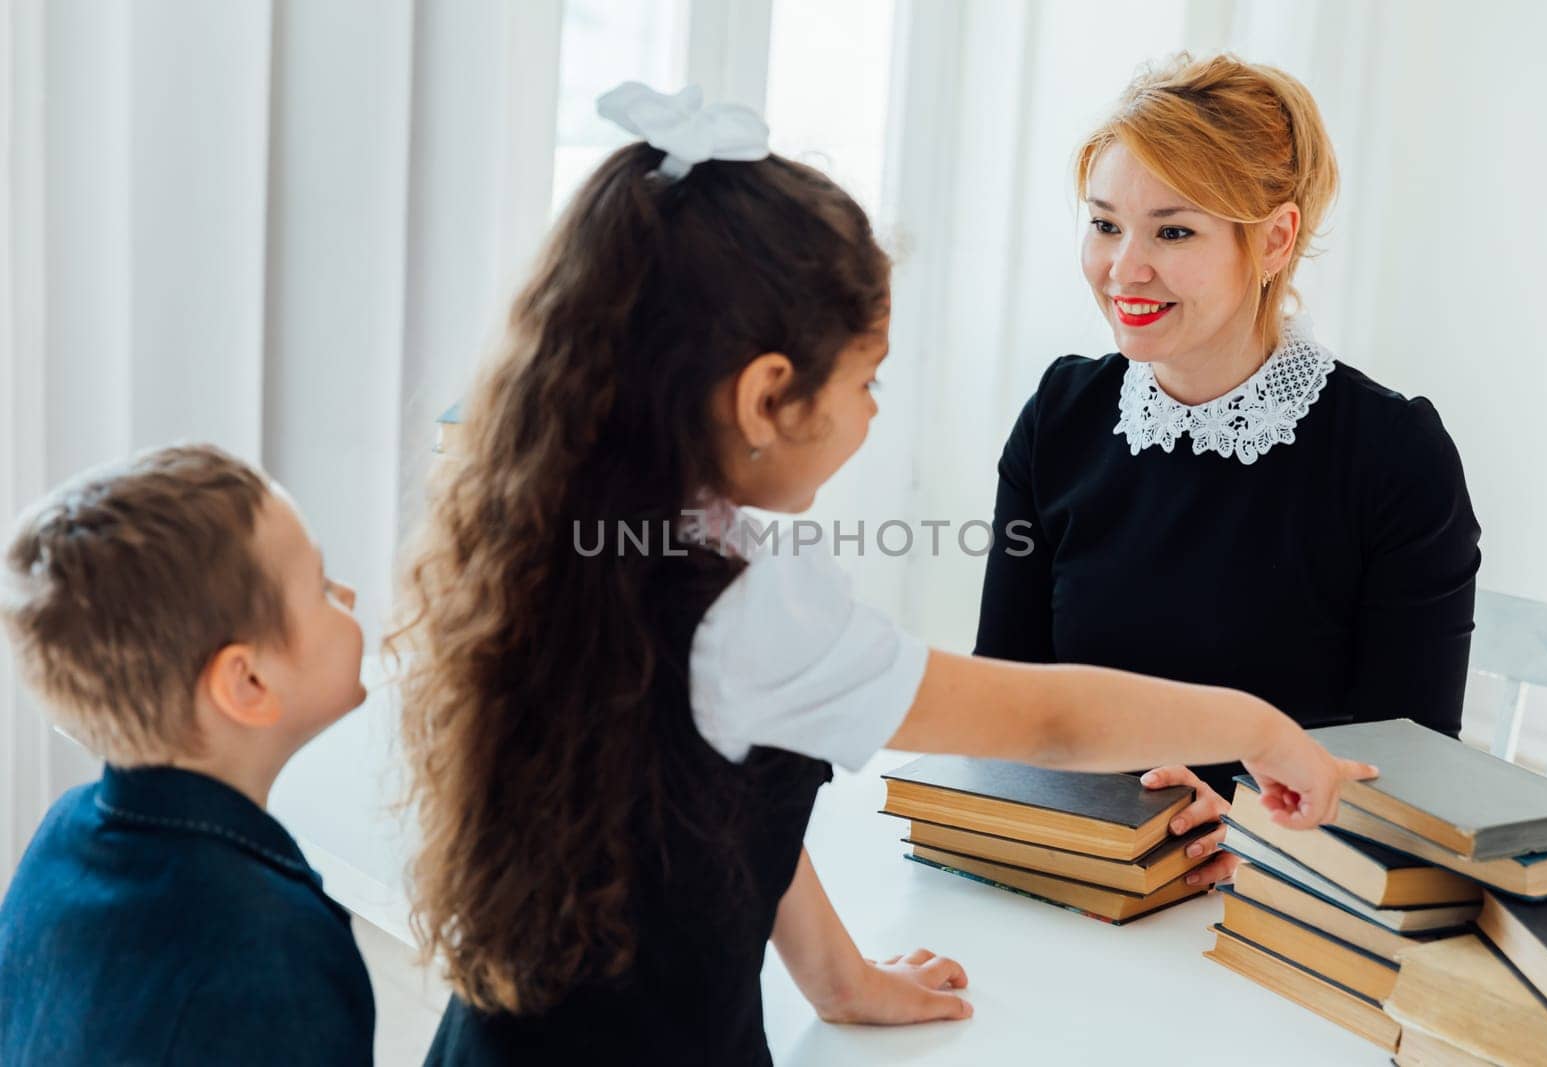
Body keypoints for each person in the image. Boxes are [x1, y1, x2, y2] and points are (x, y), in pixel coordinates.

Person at [393, 81, 1375, 1067]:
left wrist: (841, 982)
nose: (871, 412)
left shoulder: (576, 533)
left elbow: (730, 808)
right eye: (864, 380)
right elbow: (1045, 716)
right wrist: (1257, 727)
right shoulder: (747, 608)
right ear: (768, 395)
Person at [975, 53, 1481, 889]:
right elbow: (1006, 700)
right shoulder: (1060, 417)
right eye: (1104, 223)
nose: (1124, 268)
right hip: (1077, 876)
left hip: (1282, 899)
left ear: (1276, 238)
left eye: (1173, 231)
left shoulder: (1395, 454)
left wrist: (1244, 819)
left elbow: (1410, 765)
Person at [0, 444, 375, 1066]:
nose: (350, 596)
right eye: (322, 587)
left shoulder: (63, 832)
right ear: (247, 683)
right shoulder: (276, 948)